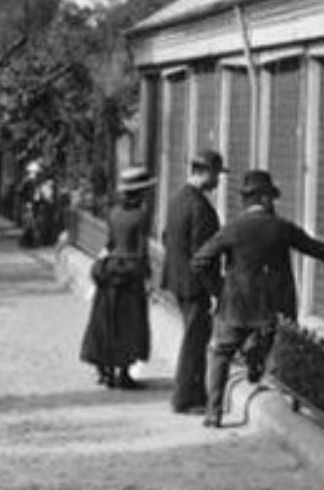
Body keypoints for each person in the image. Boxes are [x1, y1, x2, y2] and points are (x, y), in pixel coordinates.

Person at [192, 168, 324, 428]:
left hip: (235, 307)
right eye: (272, 198)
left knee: (221, 353)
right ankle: (279, 399)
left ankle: (213, 412)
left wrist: (219, 290)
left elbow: (200, 261)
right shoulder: (280, 228)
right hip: (272, 308)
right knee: (274, 349)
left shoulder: (232, 229)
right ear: (265, 199)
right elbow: (315, 248)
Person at [161, 148, 226, 414]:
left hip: (177, 279)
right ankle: (184, 398)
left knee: (193, 337)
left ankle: (193, 393)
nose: (219, 181)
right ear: (205, 172)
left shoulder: (177, 199)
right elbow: (203, 256)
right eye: (217, 174)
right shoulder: (200, 207)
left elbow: (167, 238)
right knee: (194, 341)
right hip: (195, 284)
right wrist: (215, 290)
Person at [79, 166, 154, 389]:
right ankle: (124, 373)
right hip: (131, 273)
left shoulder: (113, 213)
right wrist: (147, 276)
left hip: (111, 269)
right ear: (140, 192)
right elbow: (142, 249)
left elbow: (110, 243)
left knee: (107, 320)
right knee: (130, 323)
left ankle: (106, 370)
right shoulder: (141, 216)